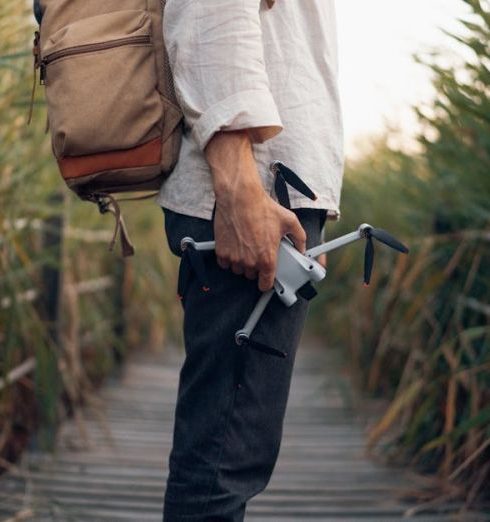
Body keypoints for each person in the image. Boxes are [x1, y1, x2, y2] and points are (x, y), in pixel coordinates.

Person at [158, 1, 343, 520]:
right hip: (259, 190)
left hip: (262, 187)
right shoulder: (244, 189)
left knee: (228, 455)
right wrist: (238, 184)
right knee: (222, 464)